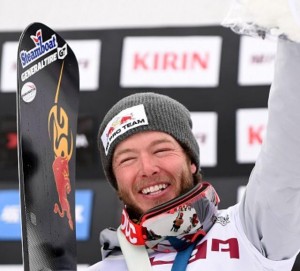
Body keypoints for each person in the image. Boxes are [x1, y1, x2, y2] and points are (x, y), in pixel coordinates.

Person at [88, 38, 300, 271]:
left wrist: (292, 34)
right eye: (127, 159)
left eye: (161, 150)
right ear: (116, 181)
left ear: (191, 161)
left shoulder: (249, 233)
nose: (147, 168)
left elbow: (288, 146)